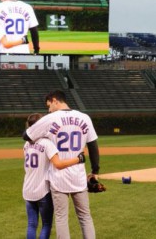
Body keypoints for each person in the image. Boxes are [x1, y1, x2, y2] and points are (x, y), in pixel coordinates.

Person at [23, 90, 100, 239]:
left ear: (54, 100)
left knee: (61, 218)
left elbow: (26, 136)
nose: (48, 109)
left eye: (49, 105)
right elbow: (93, 146)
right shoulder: (84, 117)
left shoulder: (50, 118)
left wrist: (42, 132)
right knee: (85, 217)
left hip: (58, 177)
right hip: (78, 176)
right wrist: (95, 170)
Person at [23, 113, 86, 239]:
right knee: (46, 224)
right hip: (43, 190)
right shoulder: (47, 143)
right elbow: (58, 164)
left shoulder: (26, 144)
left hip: (27, 189)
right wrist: (78, 159)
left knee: (31, 224)